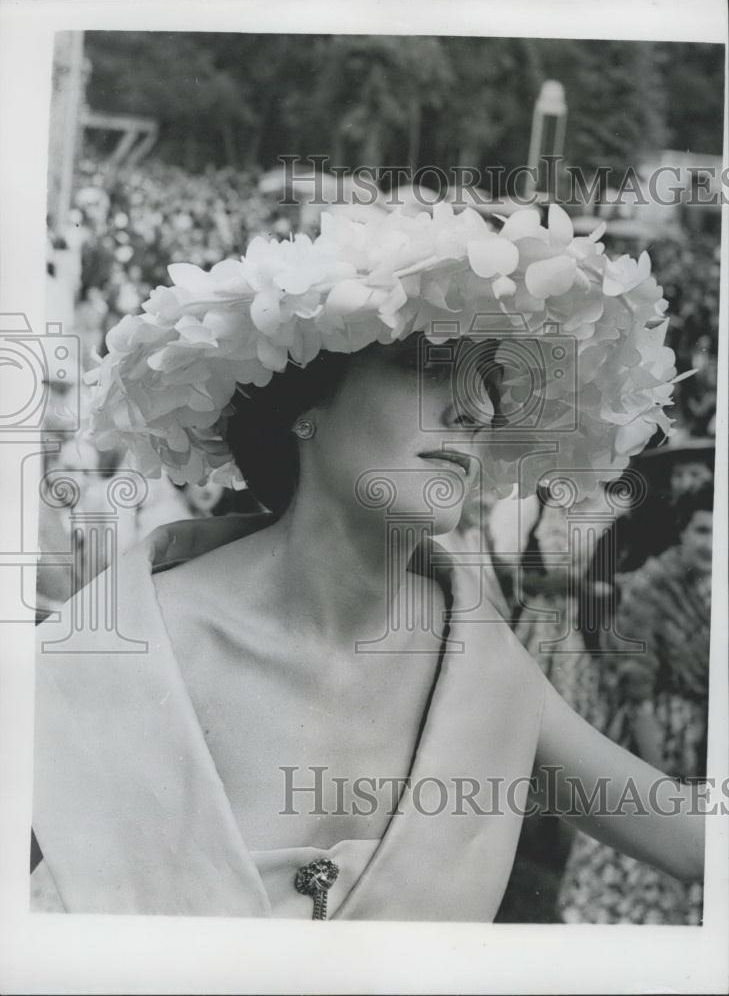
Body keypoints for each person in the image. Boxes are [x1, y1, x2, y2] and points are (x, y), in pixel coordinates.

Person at [32, 203, 705, 919]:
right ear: (301, 402)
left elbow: (693, 841)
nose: (473, 411)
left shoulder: (480, 662)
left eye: (490, 385)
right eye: (427, 365)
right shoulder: (119, 649)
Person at [557, 481, 713, 924]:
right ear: (681, 532)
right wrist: (659, 774)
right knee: (648, 835)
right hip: (656, 732)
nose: (710, 545)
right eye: (701, 531)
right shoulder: (652, 588)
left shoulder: (712, 586)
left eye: (719, 533)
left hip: (702, 733)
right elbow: (635, 688)